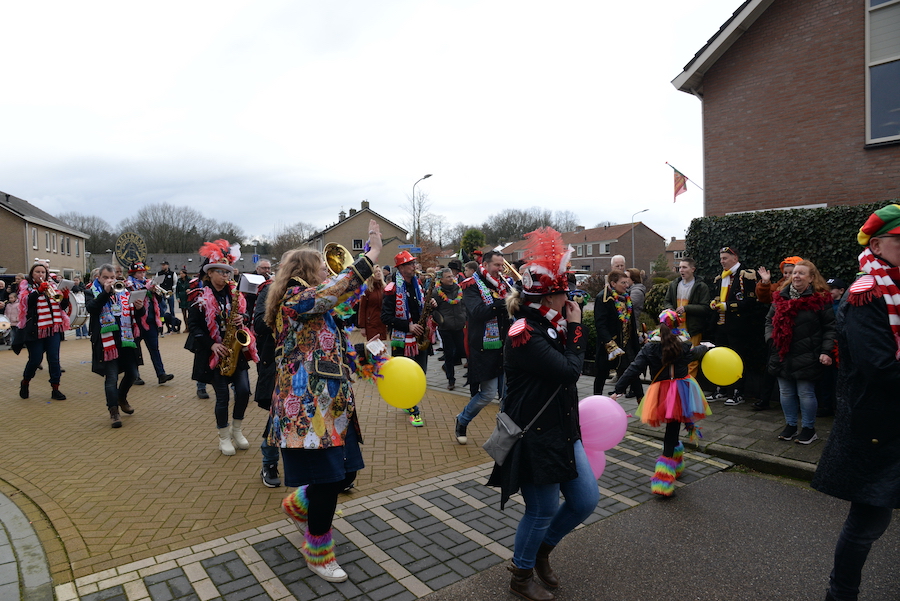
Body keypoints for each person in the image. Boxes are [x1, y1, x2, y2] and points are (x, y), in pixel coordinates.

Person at [486, 227, 595, 601]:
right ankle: (521, 575)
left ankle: (541, 552)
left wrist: (570, 328)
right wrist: (577, 328)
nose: (571, 298)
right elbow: (568, 371)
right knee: (542, 509)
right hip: (533, 435)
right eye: (566, 293)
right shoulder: (525, 332)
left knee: (585, 500)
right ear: (549, 296)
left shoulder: (553, 324)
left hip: (563, 429)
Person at [271, 220, 382, 583]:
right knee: (328, 480)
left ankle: (299, 504)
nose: (327, 271)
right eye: (321, 267)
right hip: (309, 412)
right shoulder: (295, 300)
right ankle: (318, 552)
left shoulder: (317, 309)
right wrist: (371, 255)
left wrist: (370, 359)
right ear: (304, 272)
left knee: (345, 473)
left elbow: (334, 346)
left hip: (333, 408)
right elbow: (336, 290)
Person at [811, 204, 900, 601]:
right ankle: (841, 593)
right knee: (867, 524)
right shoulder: (867, 294)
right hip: (878, 426)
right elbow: (879, 368)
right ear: (877, 245)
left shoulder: (895, 288)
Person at [613, 309, 710, 496]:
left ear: (660, 324)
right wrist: (706, 348)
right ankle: (663, 480)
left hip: (661, 392)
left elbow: (635, 367)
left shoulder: (651, 346)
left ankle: (675, 465)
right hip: (681, 391)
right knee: (672, 431)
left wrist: (618, 388)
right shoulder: (684, 344)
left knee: (672, 432)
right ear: (677, 324)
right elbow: (695, 353)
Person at [189, 240, 259, 455]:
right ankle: (223, 437)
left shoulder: (235, 294)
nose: (225, 275)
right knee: (223, 397)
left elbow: (247, 315)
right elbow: (194, 326)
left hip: (234, 351)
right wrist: (212, 345)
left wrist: (242, 318)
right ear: (209, 273)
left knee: (244, 391)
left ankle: (236, 430)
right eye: (220, 272)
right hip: (214, 354)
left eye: (227, 272)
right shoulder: (199, 296)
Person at [764, 260, 835, 444]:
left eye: (801, 273)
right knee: (786, 392)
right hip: (782, 353)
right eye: (795, 273)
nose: (796, 276)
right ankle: (791, 425)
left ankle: (809, 429)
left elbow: (830, 327)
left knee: (806, 393)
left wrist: (826, 351)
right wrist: (771, 339)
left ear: (811, 278)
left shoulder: (820, 299)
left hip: (807, 354)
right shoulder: (781, 296)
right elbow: (769, 320)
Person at [455, 250, 511, 443]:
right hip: (484, 347)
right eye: (497, 265)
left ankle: (506, 436)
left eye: (502, 265)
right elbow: (478, 312)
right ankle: (462, 420)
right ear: (485, 265)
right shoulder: (471, 285)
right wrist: (505, 303)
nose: (500, 269)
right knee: (487, 394)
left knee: (507, 395)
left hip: (505, 346)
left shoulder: (503, 284)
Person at [381, 250, 435, 426]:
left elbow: (420, 308)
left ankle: (409, 401)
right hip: (403, 340)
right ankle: (413, 410)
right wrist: (408, 326)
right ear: (401, 268)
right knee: (407, 376)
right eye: (410, 264)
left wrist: (431, 305)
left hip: (420, 338)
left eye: (414, 263)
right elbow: (385, 317)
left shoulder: (418, 284)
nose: (414, 266)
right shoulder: (392, 289)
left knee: (420, 373)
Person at [87, 264, 145, 427]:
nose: (110, 280)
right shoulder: (91, 292)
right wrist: (105, 292)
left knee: (132, 373)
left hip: (125, 339)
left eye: (112, 277)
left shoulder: (124, 291)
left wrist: (140, 308)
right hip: (107, 342)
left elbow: (136, 315)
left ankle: (121, 397)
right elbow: (92, 308)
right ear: (99, 278)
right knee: (111, 377)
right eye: (105, 277)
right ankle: (114, 412)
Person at [709, 246, 762, 405]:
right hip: (721, 324)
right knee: (720, 358)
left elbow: (751, 302)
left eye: (725, 258)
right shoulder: (720, 277)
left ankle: (738, 392)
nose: (722, 261)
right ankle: (721, 389)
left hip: (738, 326)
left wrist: (728, 306)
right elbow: (717, 297)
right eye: (721, 258)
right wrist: (714, 303)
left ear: (735, 258)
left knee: (737, 358)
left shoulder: (746, 275)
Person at [16, 263, 69, 400]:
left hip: (53, 328)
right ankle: (25, 382)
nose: (40, 274)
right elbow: (26, 304)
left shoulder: (53, 286)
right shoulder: (27, 287)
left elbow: (61, 306)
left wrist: (66, 297)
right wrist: (39, 291)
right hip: (36, 329)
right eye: (37, 272)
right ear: (32, 274)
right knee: (35, 359)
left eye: (43, 272)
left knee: (54, 359)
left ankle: (55, 388)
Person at [252, 276, 281, 487]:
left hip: (309, 366)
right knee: (277, 415)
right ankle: (269, 463)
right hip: (279, 365)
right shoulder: (270, 289)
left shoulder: (318, 292)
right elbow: (259, 324)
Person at [592, 270, 639, 395]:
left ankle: (642, 402)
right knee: (602, 374)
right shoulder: (603, 298)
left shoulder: (626, 297)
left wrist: (636, 336)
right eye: (623, 283)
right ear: (613, 283)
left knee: (633, 373)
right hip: (610, 344)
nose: (626, 285)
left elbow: (631, 321)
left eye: (627, 282)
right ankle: (596, 400)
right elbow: (600, 324)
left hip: (626, 343)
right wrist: (609, 343)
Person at [127, 263, 174, 385]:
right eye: (139, 273)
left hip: (151, 321)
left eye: (143, 272)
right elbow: (130, 299)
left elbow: (159, 301)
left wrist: (156, 292)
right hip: (135, 322)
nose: (142, 275)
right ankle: (134, 376)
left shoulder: (148, 283)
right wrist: (146, 289)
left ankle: (161, 374)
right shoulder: (129, 285)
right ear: (133, 274)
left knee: (154, 349)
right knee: (135, 350)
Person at [663, 258, 711, 378]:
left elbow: (705, 308)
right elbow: (667, 301)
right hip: (676, 329)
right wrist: (671, 310)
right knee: (675, 357)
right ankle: (676, 383)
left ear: (693, 269)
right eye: (680, 267)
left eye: (684, 267)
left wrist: (686, 308)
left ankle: (689, 385)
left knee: (692, 359)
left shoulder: (701, 286)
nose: (681, 270)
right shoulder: (674, 284)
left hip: (692, 329)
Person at [432, 267, 466, 391]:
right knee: (449, 353)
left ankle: (446, 366)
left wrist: (464, 316)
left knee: (461, 351)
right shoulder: (436, 292)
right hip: (445, 328)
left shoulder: (459, 289)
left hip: (459, 325)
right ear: (441, 279)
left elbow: (464, 305)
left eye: (452, 276)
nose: (451, 278)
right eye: (448, 277)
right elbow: (433, 310)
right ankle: (451, 379)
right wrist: (441, 320)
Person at [357, 264, 387, 342]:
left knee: (383, 346)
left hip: (382, 323)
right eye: (376, 272)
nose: (378, 273)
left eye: (379, 271)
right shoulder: (367, 289)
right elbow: (362, 308)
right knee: (374, 345)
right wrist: (362, 326)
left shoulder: (385, 288)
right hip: (371, 323)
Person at [157, 261, 176, 332]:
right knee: (162, 311)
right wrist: (161, 291)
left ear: (168, 265)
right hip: (162, 294)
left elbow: (175, 283)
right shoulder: (159, 274)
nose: (163, 266)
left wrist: (172, 291)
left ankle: (173, 326)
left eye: (164, 265)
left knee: (172, 310)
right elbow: (157, 283)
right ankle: (162, 327)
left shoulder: (172, 273)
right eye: (162, 265)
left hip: (170, 293)